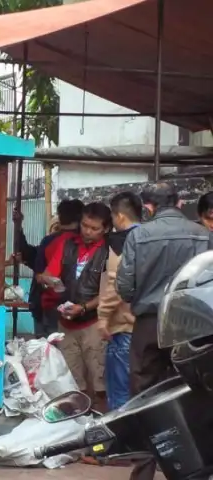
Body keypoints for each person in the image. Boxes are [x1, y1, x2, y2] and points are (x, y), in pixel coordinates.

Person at [116, 182, 213, 480]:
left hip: (149, 323)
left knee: (143, 399)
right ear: (180, 202)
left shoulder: (139, 235)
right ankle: (196, 467)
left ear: (148, 207)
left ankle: (143, 472)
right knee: (195, 393)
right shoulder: (203, 235)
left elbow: (124, 287)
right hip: (192, 324)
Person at [41, 202, 111, 410]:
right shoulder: (68, 244)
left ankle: (101, 428)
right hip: (67, 324)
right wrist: (48, 280)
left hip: (95, 324)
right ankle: (78, 427)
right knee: (72, 385)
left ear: (106, 229)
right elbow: (49, 273)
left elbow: (109, 292)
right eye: (84, 225)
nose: (87, 231)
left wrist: (84, 307)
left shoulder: (110, 252)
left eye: (94, 228)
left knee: (99, 385)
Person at [97, 192, 141, 410]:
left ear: (120, 217)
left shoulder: (120, 243)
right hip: (146, 327)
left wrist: (103, 317)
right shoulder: (149, 238)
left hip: (123, 326)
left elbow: (115, 284)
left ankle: (122, 440)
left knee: (119, 393)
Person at [26, 199, 85, 336]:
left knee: (48, 350)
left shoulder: (49, 241)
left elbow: (40, 275)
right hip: (79, 307)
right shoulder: (86, 241)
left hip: (49, 305)